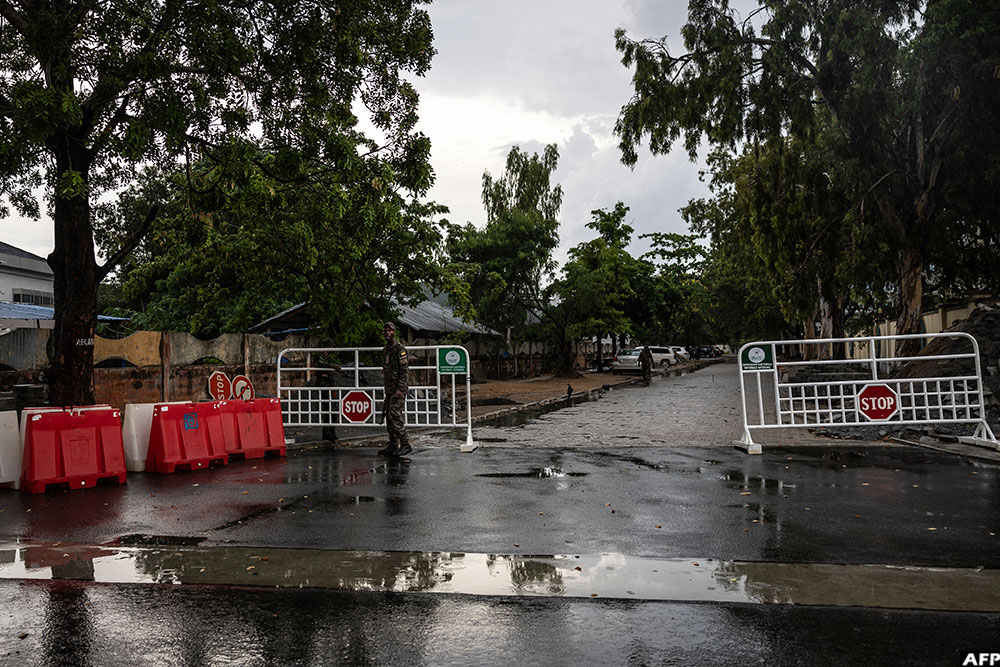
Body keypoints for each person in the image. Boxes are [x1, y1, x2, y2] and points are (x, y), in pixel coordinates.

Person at [379, 321, 412, 457]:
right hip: (390, 388)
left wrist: (401, 388)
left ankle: (405, 444)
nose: (387, 333)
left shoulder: (400, 349)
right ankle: (393, 445)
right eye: (385, 331)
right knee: (388, 416)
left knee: (394, 415)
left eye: (390, 331)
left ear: (394, 332)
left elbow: (404, 371)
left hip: (398, 388)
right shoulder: (385, 350)